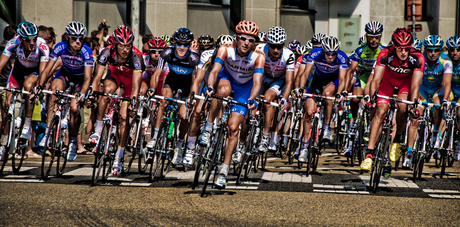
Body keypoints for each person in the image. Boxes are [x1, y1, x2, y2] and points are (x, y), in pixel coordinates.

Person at [198, 20, 265, 188]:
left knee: (233, 128)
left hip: (245, 88)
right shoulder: (225, 49)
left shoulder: (258, 57)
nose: (247, 43)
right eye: (243, 38)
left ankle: (224, 171)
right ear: (237, 38)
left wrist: (252, 99)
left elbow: (257, 83)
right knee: (221, 91)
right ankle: (208, 127)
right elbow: (213, 71)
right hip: (226, 80)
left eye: (251, 40)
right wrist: (210, 87)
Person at [360, 28, 425, 178]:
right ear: (394, 47)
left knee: (403, 107)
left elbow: (415, 85)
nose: (403, 52)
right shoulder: (385, 54)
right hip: (387, 83)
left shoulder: (417, 58)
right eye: (400, 49)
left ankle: (397, 139)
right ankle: (369, 154)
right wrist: (372, 98)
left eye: (406, 49)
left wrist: (413, 103)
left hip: (405, 85)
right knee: (380, 111)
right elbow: (376, 80)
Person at [35, 21, 93, 161]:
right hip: (65, 75)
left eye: (80, 38)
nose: (77, 42)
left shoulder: (87, 51)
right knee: (54, 91)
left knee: (74, 108)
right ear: (68, 38)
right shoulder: (60, 47)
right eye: (74, 38)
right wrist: (39, 86)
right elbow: (48, 70)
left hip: (80, 80)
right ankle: (49, 131)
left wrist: (82, 94)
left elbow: (87, 79)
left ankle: (73, 141)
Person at [89, 25, 142, 176]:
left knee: (124, 118)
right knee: (106, 92)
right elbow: (97, 77)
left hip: (130, 81)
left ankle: (119, 157)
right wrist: (93, 93)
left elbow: (136, 86)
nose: (125, 50)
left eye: (128, 46)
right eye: (121, 46)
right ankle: (98, 130)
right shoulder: (107, 52)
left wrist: (133, 103)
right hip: (115, 76)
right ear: (115, 44)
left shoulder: (136, 58)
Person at [147, 28, 200, 166]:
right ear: (174, 43)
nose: (182, 47)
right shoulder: (167, 53)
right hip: (172, 81)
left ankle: (180, 144)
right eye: (179, 43)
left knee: (184, 116)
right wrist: (152, 89)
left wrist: (191, 97)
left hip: (187, 84)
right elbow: (156, 74)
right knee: (163, 101)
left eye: (186, 44)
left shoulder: (193, 58)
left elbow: (195, 81)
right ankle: (155, 136)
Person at [182, 34, 235, 167]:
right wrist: (192, 96)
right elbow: (198, 80)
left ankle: (219, 143)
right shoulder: (207, 55)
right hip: (208, 84)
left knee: (224, 111)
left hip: (225, 86)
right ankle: (190, 147)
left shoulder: (234, 58)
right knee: (197, 110)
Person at [0, 22, 50, 160]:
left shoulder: (42, 46)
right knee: (7, 104)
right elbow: (1, 64)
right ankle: (4, 142)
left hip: (34, 72)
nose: (32, 42)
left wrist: (39, 87)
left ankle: (27, 124)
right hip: (18, 71)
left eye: (34, 38)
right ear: (21, 39)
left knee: (28, 87)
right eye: (28, 39)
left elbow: (43, 71)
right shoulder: (13, 42)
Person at [297, 36, 348, 161]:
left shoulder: (342, 57)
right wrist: (302, 87)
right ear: (323, 51)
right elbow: (306, 72)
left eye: (333, 54)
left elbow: (342, 79)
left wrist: (339, 93)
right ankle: (303, 147)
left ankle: (326, 127)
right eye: (328, 53)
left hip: (333, 81)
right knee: (308, 113)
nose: (330, 57)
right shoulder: (315, 53)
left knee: (327, 94)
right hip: (317, 81)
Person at [405, 35, 451, 166]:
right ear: (425, 50)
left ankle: (436, 132)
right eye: (430, 50)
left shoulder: (446, 61)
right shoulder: (419, 59)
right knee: (415, 118)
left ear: (440, 50)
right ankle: (409, 152)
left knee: (438, 105)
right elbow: (414, 80)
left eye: (436, 50)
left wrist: (445, 100)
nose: (432, 53)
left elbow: (447, 84)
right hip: (422, 89)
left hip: (438, 89)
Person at [343, 21, 386, 156]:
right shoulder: (360, 50)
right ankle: (355, 120)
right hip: (364, 77)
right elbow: (350, 71)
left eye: (377, 37)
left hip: (378, 78)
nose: (373, 40)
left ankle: (370, 125)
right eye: (371, 37)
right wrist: (345, 89)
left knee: (373, 104)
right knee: (355, 99)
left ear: (380, 36)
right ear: (366, 36)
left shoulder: (384, 50)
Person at [255, 26, 294, 155]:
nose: (276, 50)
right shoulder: (259, 50)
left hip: (279, 80)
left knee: (268, 99)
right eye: (273, 46)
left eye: (279, 46)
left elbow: (289, 82)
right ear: (268, 44)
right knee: (253, 101)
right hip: (262, 77)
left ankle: (265, 137)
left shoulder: (289, 55)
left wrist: (284, 98)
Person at [446, 36, 460, 160]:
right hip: (450, 90)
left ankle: (458, 143)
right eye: (452, 49)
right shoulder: (445, 61)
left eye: (457, 49)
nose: (454, 52)